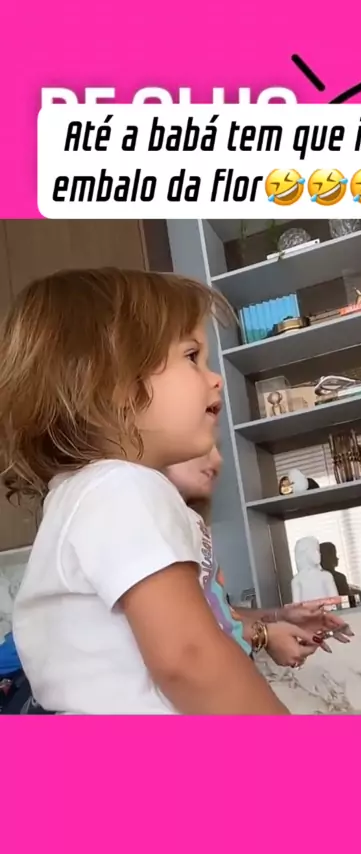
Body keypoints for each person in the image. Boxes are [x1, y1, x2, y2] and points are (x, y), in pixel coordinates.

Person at [2, 268, 292, 715]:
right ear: (113, 383)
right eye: (191, 356)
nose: (215, 378)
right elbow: (189, 658)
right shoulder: (123, 488)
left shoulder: (84, 494)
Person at [165, 448, 353, 667]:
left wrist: (279, 617)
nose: (217, 459)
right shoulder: (149, 515)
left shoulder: (191, 520)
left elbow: (218, 612)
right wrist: (265, 634)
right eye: (200, 448)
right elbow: (175, 624)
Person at [292, 536, 339, 603]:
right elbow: (296, 605)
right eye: (315, 550)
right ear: (304, 554)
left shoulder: (327, 576)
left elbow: (335, 600)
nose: (319, 554)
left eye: (318, 551)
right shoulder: (297, 580)